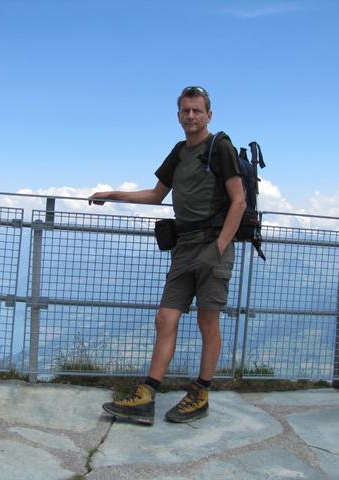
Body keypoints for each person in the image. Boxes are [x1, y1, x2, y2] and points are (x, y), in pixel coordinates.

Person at [89, 86, 245, 425]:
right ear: (178, 116)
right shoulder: (179, 152)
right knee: (165, 318)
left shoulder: (220, 147)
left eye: (197, 110)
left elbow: (239, 200)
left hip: (213, 245)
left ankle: (201, 393)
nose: (191, 116)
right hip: (184, 246)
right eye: (186, 110)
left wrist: (220, 246)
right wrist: (113, 194)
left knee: (208, 322)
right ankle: (147, 395)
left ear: (209, 115)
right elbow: (156, 194)